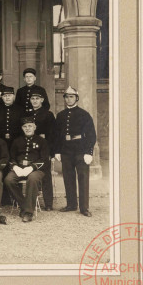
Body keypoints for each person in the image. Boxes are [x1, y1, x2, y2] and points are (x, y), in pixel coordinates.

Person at [53, 86, 97, 217]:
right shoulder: (60, 115)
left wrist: (89, 152)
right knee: (68, 177)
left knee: (83, 179)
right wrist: (57, 151)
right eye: (67, 96)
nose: (69, 99)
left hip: (80, 150)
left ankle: (84, 208)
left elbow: (91, 135)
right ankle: (71, 204)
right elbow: (56, 135)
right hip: (66, 151)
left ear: (76, 98)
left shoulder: (84, 115)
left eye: (71, 96)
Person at [4, 117, 49, 223]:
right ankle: (24, 205)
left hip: (36, 170)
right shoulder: (17, 141)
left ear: (35, 127)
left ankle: (28, 212)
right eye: (25, 126)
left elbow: (44, 159)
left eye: (30, 126)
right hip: (19, 168)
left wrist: (31, 167)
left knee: (32, 179)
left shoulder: (42, 141)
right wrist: (15, 167)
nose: (27, 128)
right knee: (8, 180)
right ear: (22, 128)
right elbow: (11, 157)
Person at [30, 92, 56, 211]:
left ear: (42, 100)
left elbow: (52, 135)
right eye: (33, 99)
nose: (35, 101)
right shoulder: (28, 114)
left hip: (44, 149)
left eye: (37, 98)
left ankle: (48, 203)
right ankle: (31, 200)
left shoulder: (48, 114)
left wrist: (51, 152)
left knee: (46, 175)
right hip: (30, 149)